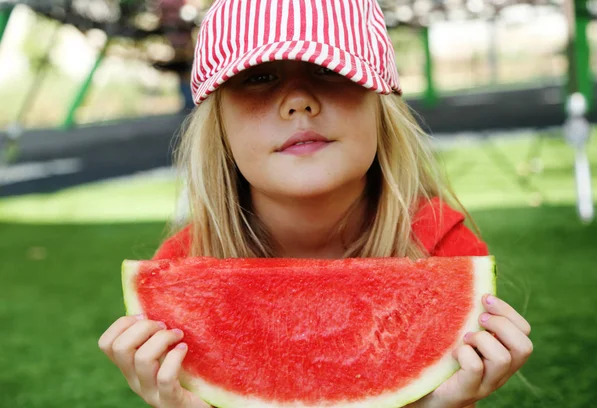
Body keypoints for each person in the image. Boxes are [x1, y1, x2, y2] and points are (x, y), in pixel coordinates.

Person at [98, 1, 533, 407]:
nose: (298, 101)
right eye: (259, 77)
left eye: (328, 70)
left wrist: (436, 402)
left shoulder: (443, 247)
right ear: (220, 124)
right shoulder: (181, 270)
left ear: (379, 103)